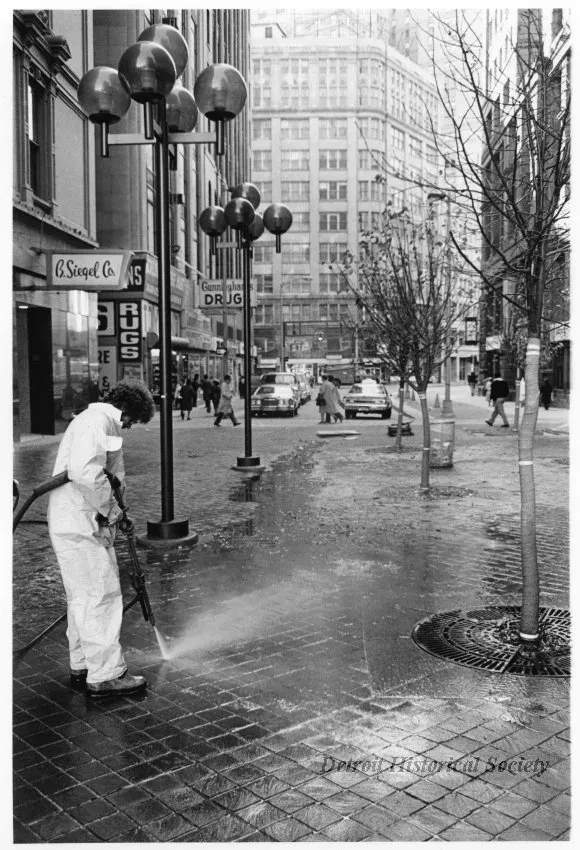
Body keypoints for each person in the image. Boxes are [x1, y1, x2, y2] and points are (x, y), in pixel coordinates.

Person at [47, 380, 155, 698]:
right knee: (100, 596)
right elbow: (85, 473)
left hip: (80, 522)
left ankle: (83, 665)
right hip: (80, 525)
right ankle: (106, 675)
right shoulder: (98, 422)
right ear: (128, 411)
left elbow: (110, 475)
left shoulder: (99, 422)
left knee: (83, 597)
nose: (131, 426)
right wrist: (111, 510)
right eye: (133, 420)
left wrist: (117, 509)